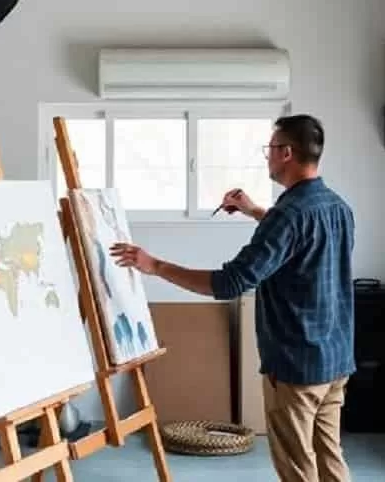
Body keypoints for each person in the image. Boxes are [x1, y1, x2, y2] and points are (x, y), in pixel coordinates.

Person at [110, 114, 356, 482]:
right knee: (329, 458)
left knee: (297, 468)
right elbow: (298, 241)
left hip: (296, 365)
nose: (267, 156)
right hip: (335, 359)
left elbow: (229, 283)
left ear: (287, 152)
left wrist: (155, 265)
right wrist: (254, 210)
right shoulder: (337, 206)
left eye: (270, 149)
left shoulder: (288, 215)